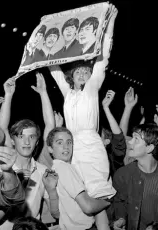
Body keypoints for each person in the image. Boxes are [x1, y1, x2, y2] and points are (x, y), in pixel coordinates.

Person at [42, 4, 118, 230]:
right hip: (71, 147)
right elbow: (53, 67)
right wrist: (48, 30)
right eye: (79, 71)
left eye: (87, 70)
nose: (84, 73)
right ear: (71, 77)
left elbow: (103, 57)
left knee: (97, 194)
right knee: (77, 197)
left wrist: (110, 21)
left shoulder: (92, 88)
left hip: (91, 146)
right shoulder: (68, 93)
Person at [0, 74, 58, 229]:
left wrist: (43, 93)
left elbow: (50, 125)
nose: (27, 142)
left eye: (32, 137)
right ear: (12, 141)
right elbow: (2, 128)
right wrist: (8, 95)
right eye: (21, 136)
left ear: (37, 142)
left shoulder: (42, 171)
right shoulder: (3, 167)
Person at [45, 127, 110, 230]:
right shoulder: (64, 168)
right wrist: (107, 201)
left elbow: (56, 214)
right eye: (59, 143)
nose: (66, 147)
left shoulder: (53, 171)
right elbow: (87, 207)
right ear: (50, 148)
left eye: (69, 142)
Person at [113, 123, 158, 230]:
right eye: (132, 137)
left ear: (149, 148)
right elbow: (119, 202)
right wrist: (121, 219)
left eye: (136, 139)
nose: (130, 141)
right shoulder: (122, 174)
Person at [101, 90, 126, 178]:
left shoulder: (113, 158)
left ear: (106, 141)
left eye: (98, 135)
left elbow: (119, 137)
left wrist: (106, 108)